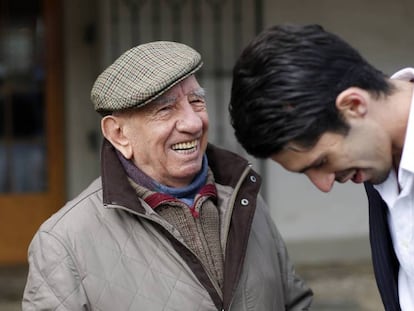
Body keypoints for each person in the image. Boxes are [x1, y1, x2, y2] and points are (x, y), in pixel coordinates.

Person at [22, 41, 313, 310]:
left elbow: (294, 303)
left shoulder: (243, 197)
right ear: (119, 134)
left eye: (196, 102)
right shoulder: (63, 242)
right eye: (165, 108)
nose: (193, 122)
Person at [229, 23, 414, 311]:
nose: (324, 185)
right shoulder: (377, 161)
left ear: (353, 105)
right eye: (306, 172)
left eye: (321, 162)